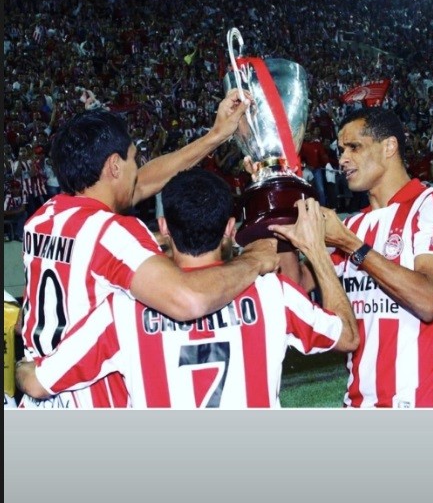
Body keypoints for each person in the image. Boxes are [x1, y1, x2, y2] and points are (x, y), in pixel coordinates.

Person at [16, 168, 358, 408]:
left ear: (163, 228)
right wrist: (317, 251)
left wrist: (22, 369)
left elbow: (38, 384)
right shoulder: (273, 294)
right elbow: (347, 337)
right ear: (229, 228)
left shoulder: (122, 310)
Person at [19, 98, 279, 408]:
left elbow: (143, 182)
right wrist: (254, 260)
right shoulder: (112, 232)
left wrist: (216, 135)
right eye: (133, 159)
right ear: (114, 166)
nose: (138, 170)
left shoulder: (43, 219)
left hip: (41, 393)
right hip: (91, 404)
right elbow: (188, 300)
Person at [271, 107, 433, 408]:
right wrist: (281, 207)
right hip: (358, 406)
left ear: (389, 146)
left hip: (428, 406)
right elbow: (295, 283)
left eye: (354, 147)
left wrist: (351, 245)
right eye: (341, 150)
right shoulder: (353, 225)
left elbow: (429, 300)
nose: (343, 159)